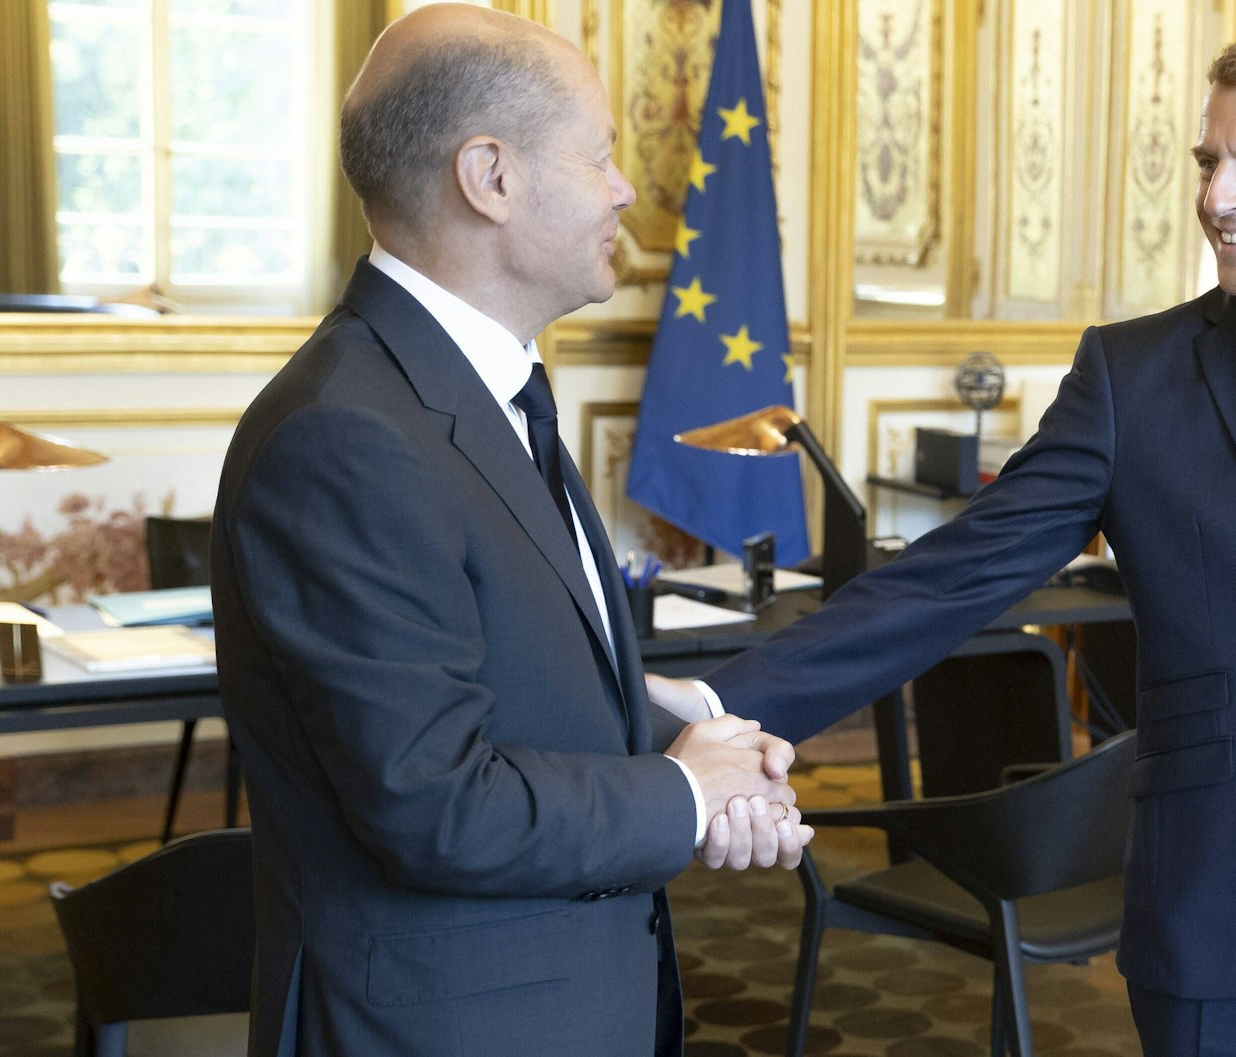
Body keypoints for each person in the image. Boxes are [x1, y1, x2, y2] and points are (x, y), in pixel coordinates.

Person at [652, 24, 1236, 1056]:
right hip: (1217, 904)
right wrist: (727, 699)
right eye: (1209, 160)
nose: (1217, 195)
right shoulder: (1130, 378)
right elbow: (951, 578)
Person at [209, 7, 810, 1057]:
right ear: (489, 176)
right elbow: (432, 801)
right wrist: (682, 791)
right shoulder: (346, 435)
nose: (624, 190)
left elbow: (479, 678)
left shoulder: (470, 387)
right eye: (599, 155)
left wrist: (650, 720)